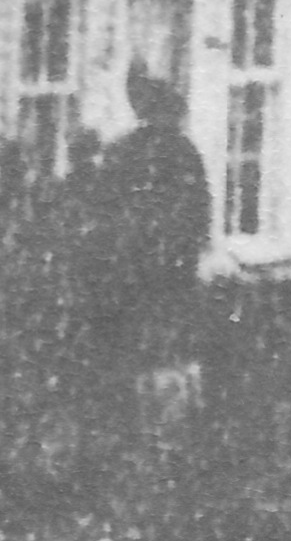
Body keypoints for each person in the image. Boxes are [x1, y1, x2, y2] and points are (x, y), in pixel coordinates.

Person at [88, 71, 215, 375]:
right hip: (160, 266)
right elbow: (199, 213)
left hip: (144, 266)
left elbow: (106, 208)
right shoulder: (180, 151)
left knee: (143, 349)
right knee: (164, 349)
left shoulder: (125, 151)